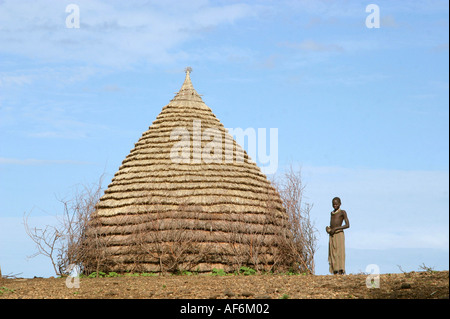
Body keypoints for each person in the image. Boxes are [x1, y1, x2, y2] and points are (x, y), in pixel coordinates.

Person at [326, 197, 350, 275]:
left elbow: (347, 225)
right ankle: (335, 270)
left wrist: (336, 228)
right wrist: (328, 228)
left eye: (336, 204)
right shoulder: (331, 213)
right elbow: (332, 223)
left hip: (339, 233)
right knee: (333, 252)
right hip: (332, 234)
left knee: (340, 252)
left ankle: (341, 269)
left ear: (340, 204)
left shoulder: (342, 212)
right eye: (333, 204)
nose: (335, 205)